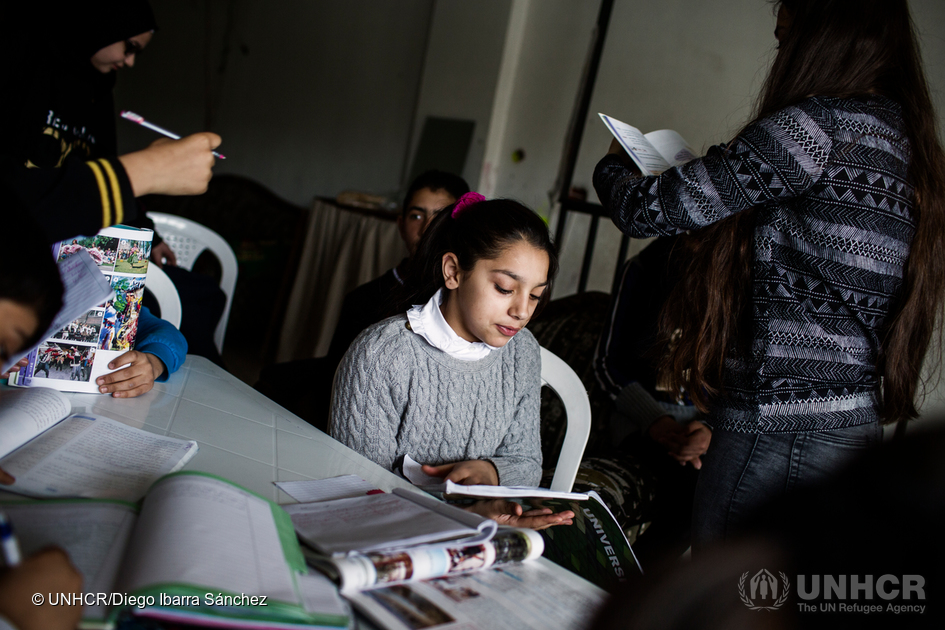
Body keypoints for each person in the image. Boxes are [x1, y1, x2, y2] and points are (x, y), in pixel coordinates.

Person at [592, 0, 945, 549]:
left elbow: (650, 208)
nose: (779, 54)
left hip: (777, 426)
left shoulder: (815, 128)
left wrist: (615, 163)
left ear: (820, 39)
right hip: (849, 421)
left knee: (738, 598)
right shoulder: (902, 138)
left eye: (785, 39)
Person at [330, 193, 572, 529]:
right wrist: (458, 514)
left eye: (535, 295)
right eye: (504, 288)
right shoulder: (382, 354)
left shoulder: (521, 352)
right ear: (453, 271)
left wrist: (490, 471)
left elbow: (527, 462)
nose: (522, 311)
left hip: (479, 527)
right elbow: (357, 487)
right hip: (380, 530)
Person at [255, 170, 469, 428]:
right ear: (401, 226)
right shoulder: (364, 300)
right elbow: (341, 384)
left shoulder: (466, 300)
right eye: (417, 215)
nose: (426, 228)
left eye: (439, 216)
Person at [0, 2, 220, 245]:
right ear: (106, 24)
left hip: (75, 245)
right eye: (130, 47)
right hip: (25, 249)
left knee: (182, 283)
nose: (130, 62)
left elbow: (104, 161)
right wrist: (150, 168)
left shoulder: (100, 90)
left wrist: (150, 236)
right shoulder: (20, 55)